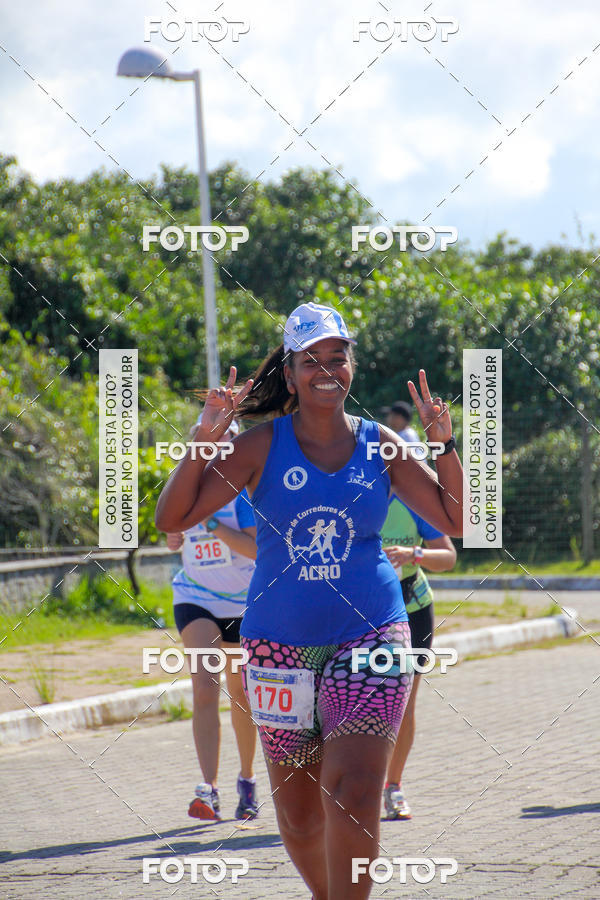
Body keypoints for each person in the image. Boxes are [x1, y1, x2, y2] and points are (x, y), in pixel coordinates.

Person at [155, 301, 464, 900]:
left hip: (372, 635)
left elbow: (454, 517)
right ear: (291, 374)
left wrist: (442, 444)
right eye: (311, 359)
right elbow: (172, 516)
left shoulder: (382, 447)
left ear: (352, 366)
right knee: (297, 815)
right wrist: (203, 438)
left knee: (353, 792)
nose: (327, 369)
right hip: (275, 646)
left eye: (337, 357)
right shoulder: (258, 446)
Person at [166, 415, 259, 822]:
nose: (222, 448)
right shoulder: (186, 487)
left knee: (242, 694)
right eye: (214, 440)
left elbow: (257, 550)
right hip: (195, 597)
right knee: (205, 687)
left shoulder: (247, 493)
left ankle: (246, 780)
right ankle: (209, 788)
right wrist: (174, 534)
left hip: (244, 604)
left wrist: (213, 526)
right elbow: (170, 527)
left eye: (230, 441)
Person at [380, 496, 457, 819]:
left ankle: (393, 786)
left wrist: (415, 554)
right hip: (366, 612)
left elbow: (448, 557)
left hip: (414, 609)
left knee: (403, 703)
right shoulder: (347, 494)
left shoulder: (411, 500)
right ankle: (352, 787)